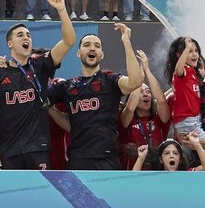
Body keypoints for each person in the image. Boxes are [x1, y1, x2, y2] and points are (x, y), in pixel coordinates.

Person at [0, 0, 75, 170]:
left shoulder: (41, 65)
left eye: (28, 35)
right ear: (10, 44)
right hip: (7, 151)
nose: (26, 37)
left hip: (38, 149)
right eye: (20, 35)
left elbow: (69, 40)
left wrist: (62, 10)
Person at [48, 25, 143, 170]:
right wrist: (50, 109)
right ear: (78, 53)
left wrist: (126, 42)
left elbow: (135, 82)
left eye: (97, 46)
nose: (92, 48)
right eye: (87, 45)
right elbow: (40, 99)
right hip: (77, 159)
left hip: (107, 159)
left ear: (102, 55)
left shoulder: (110, 80)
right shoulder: (66, 87)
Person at [119, 49, 171, 170]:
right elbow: (130, 108)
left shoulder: (159, 120)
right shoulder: (126, 119)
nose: (146, 94)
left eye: (148, 91)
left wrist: (147, 70)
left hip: (158, 174)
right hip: (130, 174)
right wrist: (139, 80)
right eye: (141, 92)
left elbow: (162, 101)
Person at [164, 37, 205, 144]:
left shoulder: (192, 73)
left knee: (193, 154)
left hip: (193, 121)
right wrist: (186, 49)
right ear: (178, 55)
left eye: (196, 51)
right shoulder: (184, 70)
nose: (195, 54)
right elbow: (178, 70)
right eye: (190, 51)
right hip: (188, 123)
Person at [134, 135, 205, 172]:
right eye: (167, 153)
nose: (171, 156)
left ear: (180, 159)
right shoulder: (154, 176)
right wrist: (141, 158)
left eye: (175, 153)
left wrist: (196, 144)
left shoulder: (186, 174)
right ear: (161, 159)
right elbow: (133, 178)